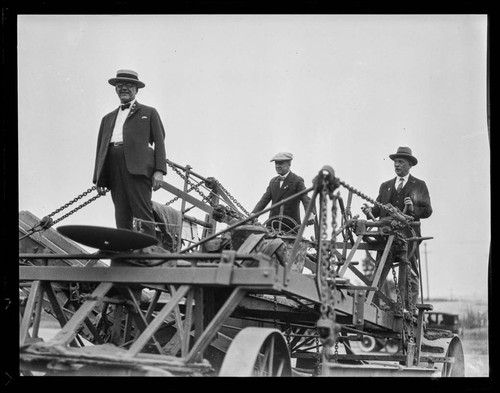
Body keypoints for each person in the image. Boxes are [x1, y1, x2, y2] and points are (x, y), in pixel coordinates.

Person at [93, 69, 167, 238]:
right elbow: (101, 148)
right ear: (115, 89)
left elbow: (160, 143)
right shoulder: (107, 118)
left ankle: (148, 252)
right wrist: (99, 177)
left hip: (138, 168)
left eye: (128, 85)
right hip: (113, 167)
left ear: (136, 89)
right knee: (121, 214)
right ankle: (125, 253)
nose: (123, 88)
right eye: (120, 85)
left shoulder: (149, 113)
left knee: (143, 212)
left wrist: (159, 171)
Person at [361, 146, 432, 309]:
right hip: (385, 236)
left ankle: (410, 309)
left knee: (410, 273)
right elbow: (377, 209)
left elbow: (427, 211)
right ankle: (371, 307)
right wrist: (369, 210)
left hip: (409, 238)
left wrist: (412, 208)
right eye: (395, 162)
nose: (396, 165)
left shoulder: (419, 185)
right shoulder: (385, 186)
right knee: (379, 271)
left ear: (409, 165)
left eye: (400, 162)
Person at [252, 152, 315, 234]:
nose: (277, 166)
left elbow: (305, 198)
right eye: (276, 163)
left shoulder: (297, 181)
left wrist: (310, 214)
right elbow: (264, 200)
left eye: (281, 163)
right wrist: (254, 214)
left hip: (291, 227)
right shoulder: (273, 182)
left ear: (289, 163)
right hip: (272, 226)